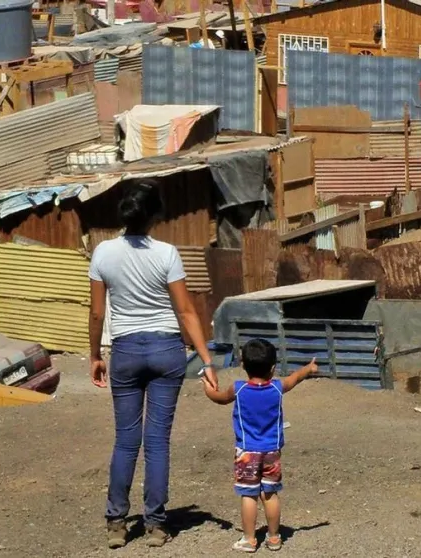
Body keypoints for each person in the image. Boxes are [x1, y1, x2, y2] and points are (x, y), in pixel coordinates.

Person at [87, 179, 218, 549]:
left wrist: (95, 355)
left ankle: (116, 523)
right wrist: (207, 360)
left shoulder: (102, 253)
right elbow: (186, 310)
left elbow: (97, 313)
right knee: (157, 442)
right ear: (155, 215)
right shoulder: (167, 254)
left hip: (126, 352)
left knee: (126, 440)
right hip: (166, 351)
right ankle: (156, 525)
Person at [201, 339, 318, 553]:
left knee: (249, 495)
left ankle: (249, 539)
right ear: (273, 368)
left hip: (247, 451)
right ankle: (273, 538)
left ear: (243, 365)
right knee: (270, 494)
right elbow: (295, 378)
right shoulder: (277, 388)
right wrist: (309, 368)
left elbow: (219, 398)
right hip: (272, 451)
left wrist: (208, 388)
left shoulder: (239, 389)